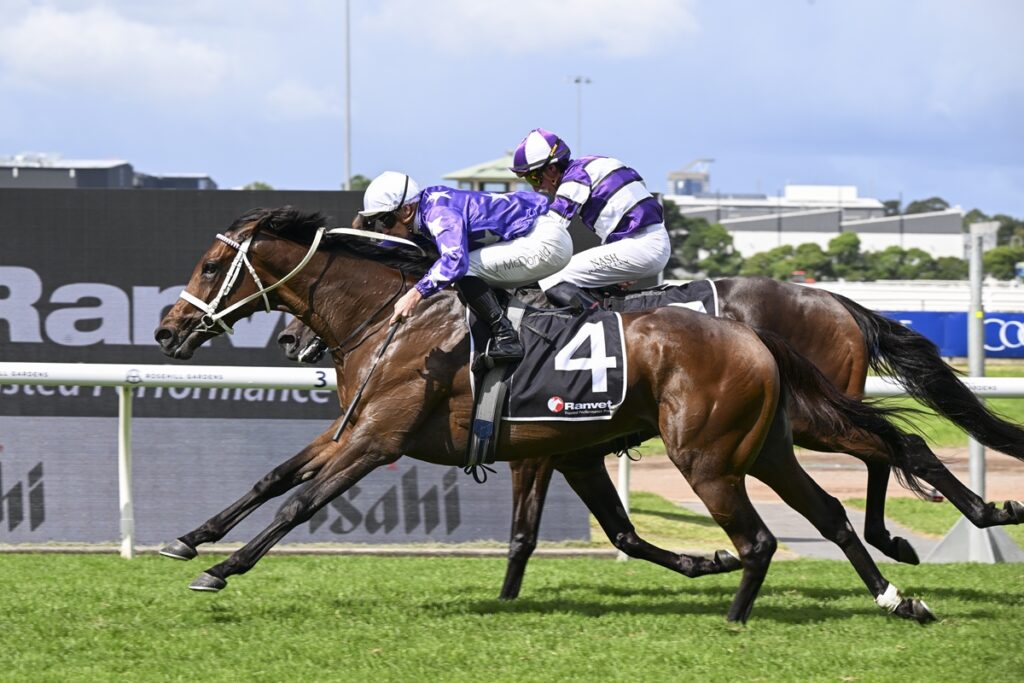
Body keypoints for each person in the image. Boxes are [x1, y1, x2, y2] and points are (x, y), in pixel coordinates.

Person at [358, 171, 572, 363]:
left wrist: (415, 294)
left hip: (545, 241)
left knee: (463, 269)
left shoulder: (438, 214)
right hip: (535, 237)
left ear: (406, 210)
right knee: (463, 268)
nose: (383, 230)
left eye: (384, 221)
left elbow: (455, 262)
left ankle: (506, 338)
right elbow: (395, 246)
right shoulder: (423, 211)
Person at [509, 128, 671, 310]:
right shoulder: (597, 161)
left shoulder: (575, 178)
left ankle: (601, 326)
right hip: (648, 242)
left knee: (552, 278)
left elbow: (552, 229)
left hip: (641, 246)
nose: (536, 189)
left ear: (551, 169)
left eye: (534, 179)